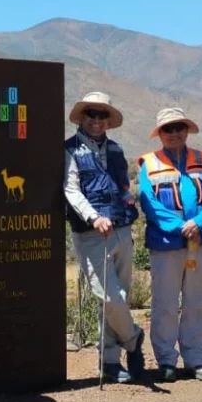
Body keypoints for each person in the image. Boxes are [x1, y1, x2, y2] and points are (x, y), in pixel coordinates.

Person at [62, 91, 146, 384]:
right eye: (92, 115)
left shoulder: (115, 150)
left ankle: (109, 361)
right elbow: (70, 190)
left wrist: (127, 205)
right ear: (82, 118)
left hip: (122, 230)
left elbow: (122, 185)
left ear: (108, 120)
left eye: (102, 115)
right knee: (109, 296)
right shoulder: (69, 149)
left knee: (111, 301)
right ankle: (133, 339)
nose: (97, 120)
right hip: (90, 233)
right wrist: (93, 217)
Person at [138, 108, 202, 383]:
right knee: (164, 303)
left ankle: (195, 358)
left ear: (187, 130)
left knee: (198, 302)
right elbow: (148, 203)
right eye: (168, 129)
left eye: (179, 128)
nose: (174, 133)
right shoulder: (149, 163)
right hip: (166, 244)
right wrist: (180, 227)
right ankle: (166, 360)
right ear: (160, 134)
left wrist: (198, 223)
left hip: (198, 242)